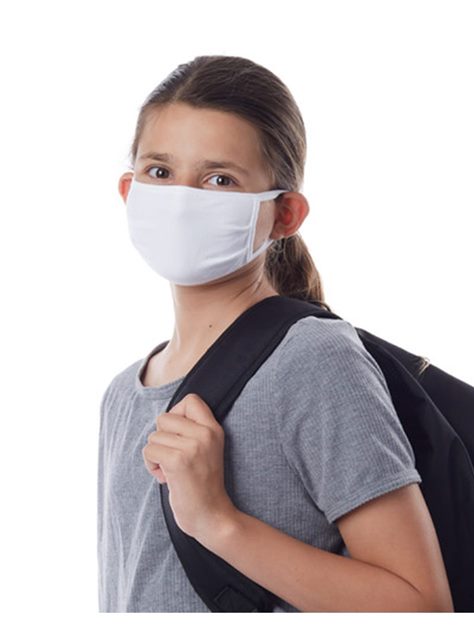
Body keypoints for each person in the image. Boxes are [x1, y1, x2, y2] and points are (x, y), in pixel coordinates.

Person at [97, 54, 454, 613]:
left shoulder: (314, 359)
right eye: (160, 172)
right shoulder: (123, 393)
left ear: (285, 213)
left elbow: (421, 607)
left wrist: (218, 522)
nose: (182, 201)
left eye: (220, 179)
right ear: (129, 190)